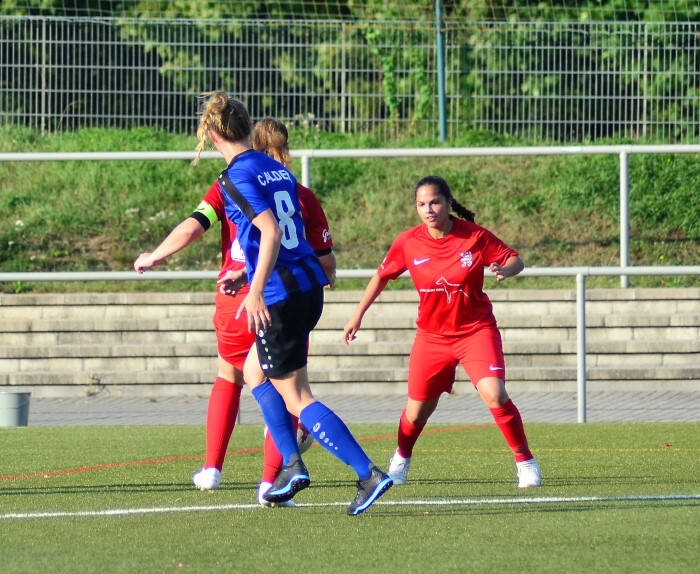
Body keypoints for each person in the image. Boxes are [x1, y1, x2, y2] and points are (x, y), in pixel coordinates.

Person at [194, 91, 392, 516]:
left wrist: (254, 289)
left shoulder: (233, 176)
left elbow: (271, 232)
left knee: (297, 396)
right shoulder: (276, 170)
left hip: (279, 295)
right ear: (248, 127)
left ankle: (367, 474)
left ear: (212, 135)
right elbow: (289, 236)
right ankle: (291, 466)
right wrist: (249, 275)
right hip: (306, 285)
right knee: (254, 372)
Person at [132, 123, 335, 508]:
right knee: (286, 388)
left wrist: (155, 255)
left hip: (234, 298)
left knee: (230, 374)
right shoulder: (299, 192)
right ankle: (270, 482)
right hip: (280, 296)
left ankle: (212, 469)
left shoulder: (228, 182)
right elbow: (325, 262)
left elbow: (194, 225)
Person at [343, 175, 542, 489]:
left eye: (434, 202)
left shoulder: (474, 236)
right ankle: (401, 458)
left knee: (495, 393)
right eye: (421, 204)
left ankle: (525, 462)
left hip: (476, 331)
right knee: (416, 412)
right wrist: (357, 315)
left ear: (449, 203)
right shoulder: (408, 242)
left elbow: (515, 259)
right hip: (432, 338)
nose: (428, 209)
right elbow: (381, 276)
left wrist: (505, 269)